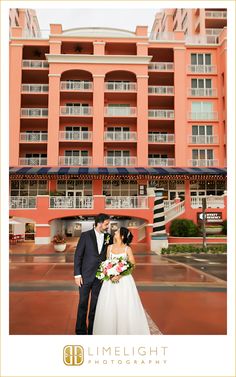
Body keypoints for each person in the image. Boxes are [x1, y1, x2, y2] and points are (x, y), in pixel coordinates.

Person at [93, 227, 150, 335]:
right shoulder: (109, 248)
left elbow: (132, 265)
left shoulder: (127, 249)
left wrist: (120, 275)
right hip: (109, 282)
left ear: (122, 236)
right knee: (109, 305)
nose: (115, 232)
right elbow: (106, 263)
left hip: (124, 282)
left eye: (117, 231)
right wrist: (108, 273)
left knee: (124, 304)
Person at [74, 213, 112, 335]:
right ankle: (80, 331)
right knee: (82, 304)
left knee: (95, 306)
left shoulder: (108, 237)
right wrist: (77, 275)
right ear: (99, 223)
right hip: (84, 277)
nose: (107, 227)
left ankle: (92, 331)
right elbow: (78, 256)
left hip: (100, 277)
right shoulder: (85, 236)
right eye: (106, 224)